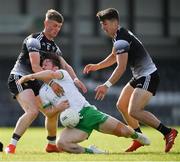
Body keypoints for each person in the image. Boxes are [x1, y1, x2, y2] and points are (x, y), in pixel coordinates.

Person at [83, 8, 178, 153]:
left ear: (114, 22)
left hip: (148, 76)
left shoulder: (121, 38)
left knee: (134, 111)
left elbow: (121, 67)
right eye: (102, 24)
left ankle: (167, 132)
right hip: (139, 76)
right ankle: (139, 137)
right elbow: (114, 56)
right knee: (121, 105)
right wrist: (97, 66)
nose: (103, 27)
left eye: (105, 24)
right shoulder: (118, 35)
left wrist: (106, 85)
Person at [18, 55, 150, 154]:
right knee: (62, 144)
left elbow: (50, 74)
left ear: (56, 68)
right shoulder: (43, 92)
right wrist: (57, 108)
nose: (44, 66)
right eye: (42, 65)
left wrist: (29, 76)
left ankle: (137, 136)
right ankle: (93, 151)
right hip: (74, 123)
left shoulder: (62, 74)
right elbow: (48, 113)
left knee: (124, 132)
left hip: (88, 113)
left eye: (47, 63)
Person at [5, 9, 87, 154]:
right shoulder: (34, 40)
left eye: (59, 27)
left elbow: (66, 66)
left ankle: (51, 145)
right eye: (54, 25)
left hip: (36, 81)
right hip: (19, 77)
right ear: (46, 23)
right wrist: (51, 83)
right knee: (32, 111)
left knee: (52, 113)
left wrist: (76, 80)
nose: (56, 29)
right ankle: (11, 146)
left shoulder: (54, 47)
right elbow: (35, 66)